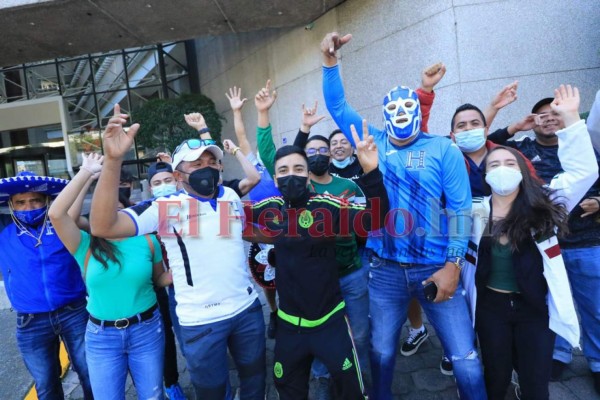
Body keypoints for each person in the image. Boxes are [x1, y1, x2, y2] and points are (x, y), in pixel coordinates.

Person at [321, 32, 485, 399]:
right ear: (382, 115)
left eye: (406, 107)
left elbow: (461, 209)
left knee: (465, 356)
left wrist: (454, 264)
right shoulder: (371, 141)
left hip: (435, 266)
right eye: (392, 110)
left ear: (417, 110)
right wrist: (330, 62)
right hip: (384, 272)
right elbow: (337, 105)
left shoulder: (443, 148)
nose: (400, 115)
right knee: (381, 350)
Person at [89, 104, 266, 400]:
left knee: (254, 382)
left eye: (211, 162)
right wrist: (112, 160)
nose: (206, 168)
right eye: (196, 164)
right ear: (178, 174)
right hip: (201, 321)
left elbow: (232, 236)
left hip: (247, 310)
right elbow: (103, 226)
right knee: (211, 392)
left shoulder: (231, 196)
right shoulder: (166, 207)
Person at [465, 84, 598, 399]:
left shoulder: (544, 202)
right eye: (493, 165)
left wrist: (571, 121)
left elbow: (583, 170)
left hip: (535, 310)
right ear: (484, 175)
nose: (501, 169)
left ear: (525, 171)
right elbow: (464, 150)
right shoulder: (473, 212)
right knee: (495, 377)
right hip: (490, 309)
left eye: (510, 164)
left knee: (536, 384)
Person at [245, 118, 389, 399]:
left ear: (308, 176)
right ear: (275, 179)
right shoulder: (270, 208)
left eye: (299, 169)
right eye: (283, 170)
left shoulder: (328, 206)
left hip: (331, 322)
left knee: (351, 391)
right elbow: (225, 215)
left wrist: (371, 171)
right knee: (288, 390)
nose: (291, 175)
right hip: (289, 326)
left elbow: (376, 219)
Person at [48, 152, 172, 399]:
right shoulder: (84, 244)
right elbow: (57, 214)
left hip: (146, 330)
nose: (109, 219)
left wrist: (179, 272)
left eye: (118, 212)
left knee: (153, 396)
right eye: (102, 215)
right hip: (101, 337)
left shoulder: (147, 241)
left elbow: (158, 280)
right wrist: (86, 174)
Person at [0, 171, 94, 400]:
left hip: (74, 311)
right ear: (10, 204)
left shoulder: (63, 224)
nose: (28, 207)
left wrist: (87, 174)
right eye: (20, 202)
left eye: (35, 200)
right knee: (46, 384)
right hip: (31, 320)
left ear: (47, 201)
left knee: (90, 372)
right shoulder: (3, 231)